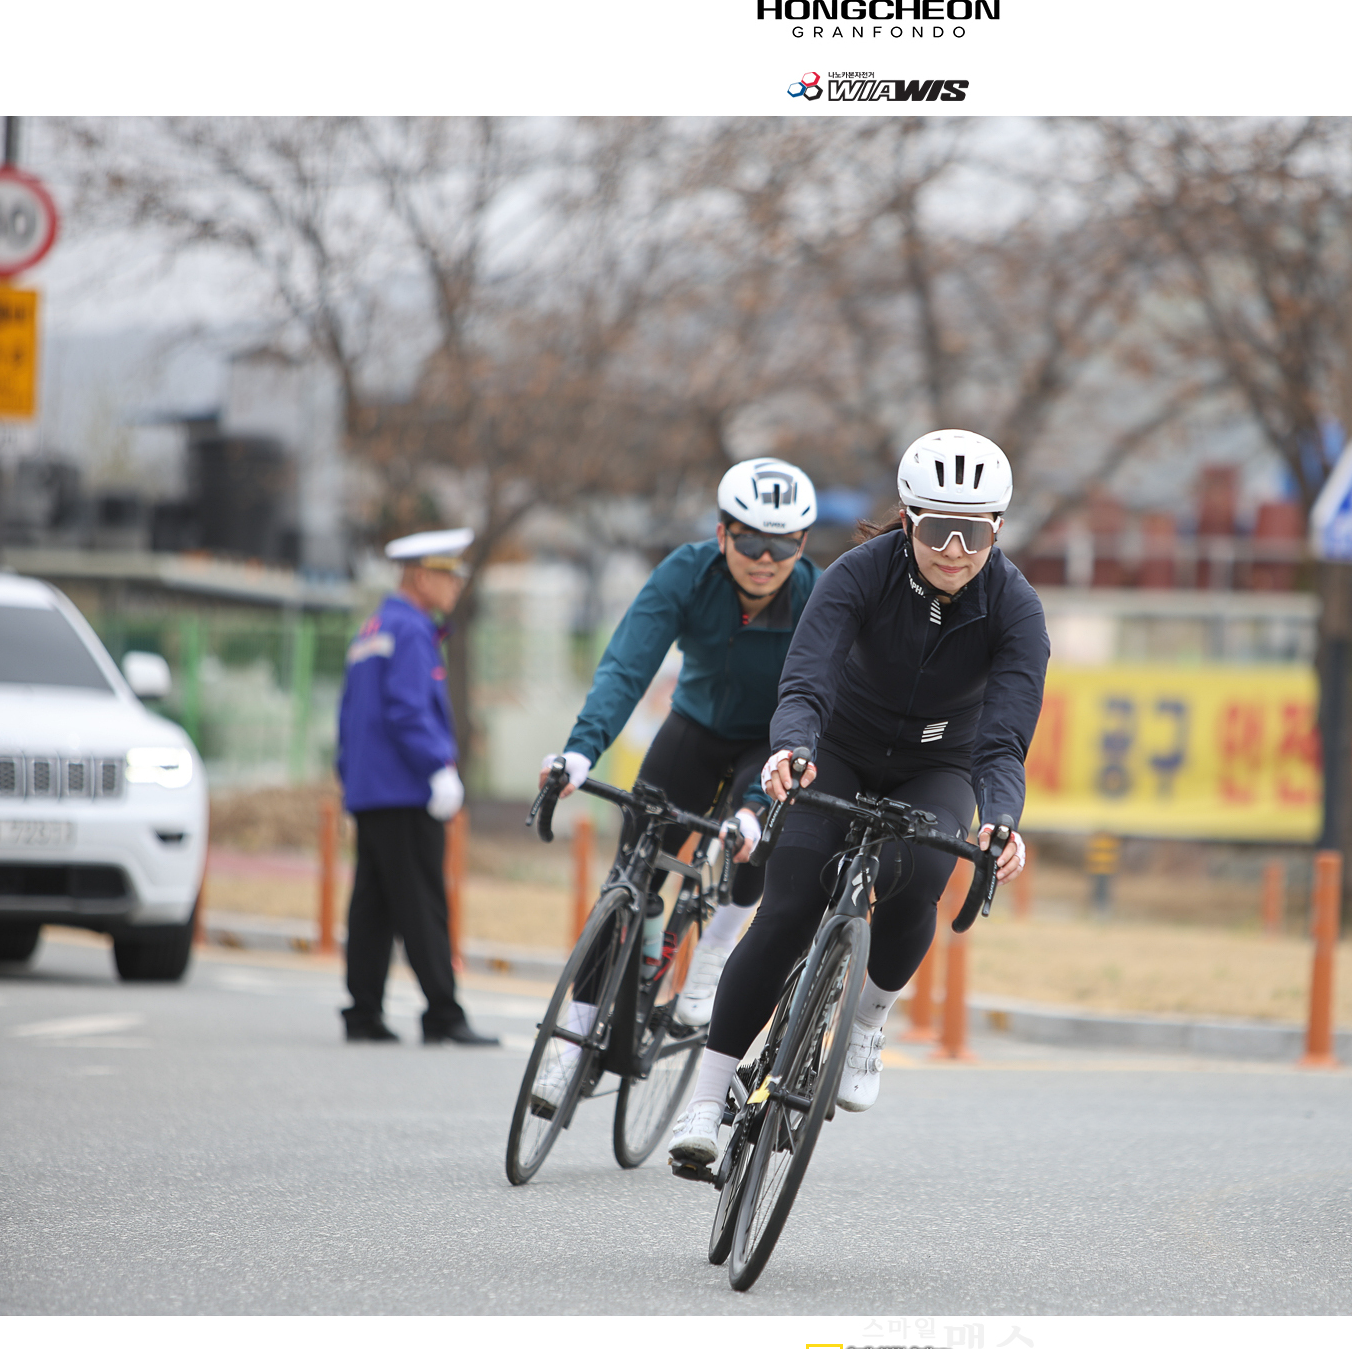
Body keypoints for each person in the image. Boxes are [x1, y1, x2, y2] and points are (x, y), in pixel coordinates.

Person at [668, 430, 1045, 1165]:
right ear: (908, 520)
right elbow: (807, 679)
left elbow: (1003, 740)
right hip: (838, 748)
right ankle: (705, 1100)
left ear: (998, 530)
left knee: (921, 879)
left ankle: (868, 1023)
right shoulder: (859, 573)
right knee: (786, 911)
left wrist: (1002, 818)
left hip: (939, 763)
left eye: (974, 534)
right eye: (938, 530)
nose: (956, 550)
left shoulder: (1016, 609)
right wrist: (791, 749)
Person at [531, 459, 820, 1108]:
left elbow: (826, 702)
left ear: (803, 545)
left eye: (782, 545)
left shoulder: (816, 596)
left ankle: (714, 951)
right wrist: (581, 750)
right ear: (721, 534)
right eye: (750, 541)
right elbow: (627, 665)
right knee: (629, 875)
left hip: (770, 740)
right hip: (693, 727)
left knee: (757, 838)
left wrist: (759, 803)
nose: (765, 559)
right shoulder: (686, 572)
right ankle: (571, 1043)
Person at [336, 528, 497, 1047]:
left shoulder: (373, 627)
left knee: (373, 906)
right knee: (422, 902)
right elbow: (408, 710)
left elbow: (349, 715)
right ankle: (443, 1013)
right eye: (449, 575)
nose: (457, 585)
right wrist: (437, 767)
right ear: (422, 576)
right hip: (405, 788)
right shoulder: (410, 630)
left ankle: (362, 1012)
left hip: (370, 789)